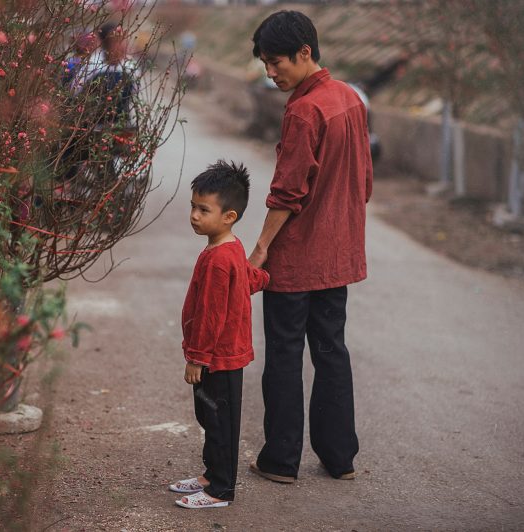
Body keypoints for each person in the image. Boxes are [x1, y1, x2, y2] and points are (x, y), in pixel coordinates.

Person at [247, 10, 373, 484]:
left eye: (276, 62)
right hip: (336, 258)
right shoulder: (350, 100)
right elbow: (364, 183)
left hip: (297, 259)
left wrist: (260, 248)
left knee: (283, 355)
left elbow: (287, 193)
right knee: (331, 351)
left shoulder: (304, 110)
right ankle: (339, 458)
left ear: (305, 53)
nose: (270, 72)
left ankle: (280, 461)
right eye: (264, 64)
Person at [170, 161, 271, 509]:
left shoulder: (218, 258)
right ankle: (211, 475)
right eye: (193, 207)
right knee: (210, 417)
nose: (194, 216)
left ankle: (220, 491)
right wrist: (262, 278)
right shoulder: (228, 248)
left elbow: (212, 315)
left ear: (228, 216)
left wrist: (196, 357)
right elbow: (246, 278)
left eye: (203, 210)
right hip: (219, 355)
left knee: (219, 422)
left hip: (218, 357)